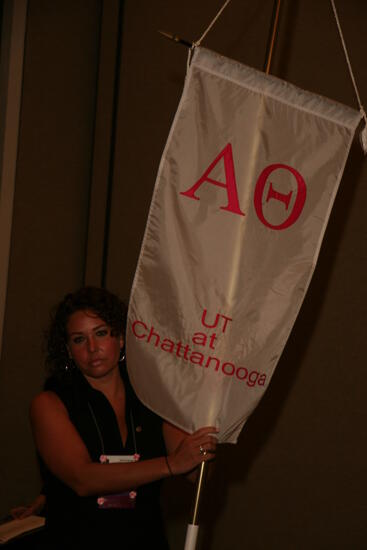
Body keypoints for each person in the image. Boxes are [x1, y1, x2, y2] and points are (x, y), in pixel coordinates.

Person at [30, 287, 217, 549]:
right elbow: (83, 479)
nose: (93, 348)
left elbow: (194, 473)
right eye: (79, 339)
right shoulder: (50, 403)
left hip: (145, 539)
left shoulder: (153, 397)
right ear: (68, 350)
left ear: (120, 337)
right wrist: (171, 464)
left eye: (101, 333)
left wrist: (200, 449)